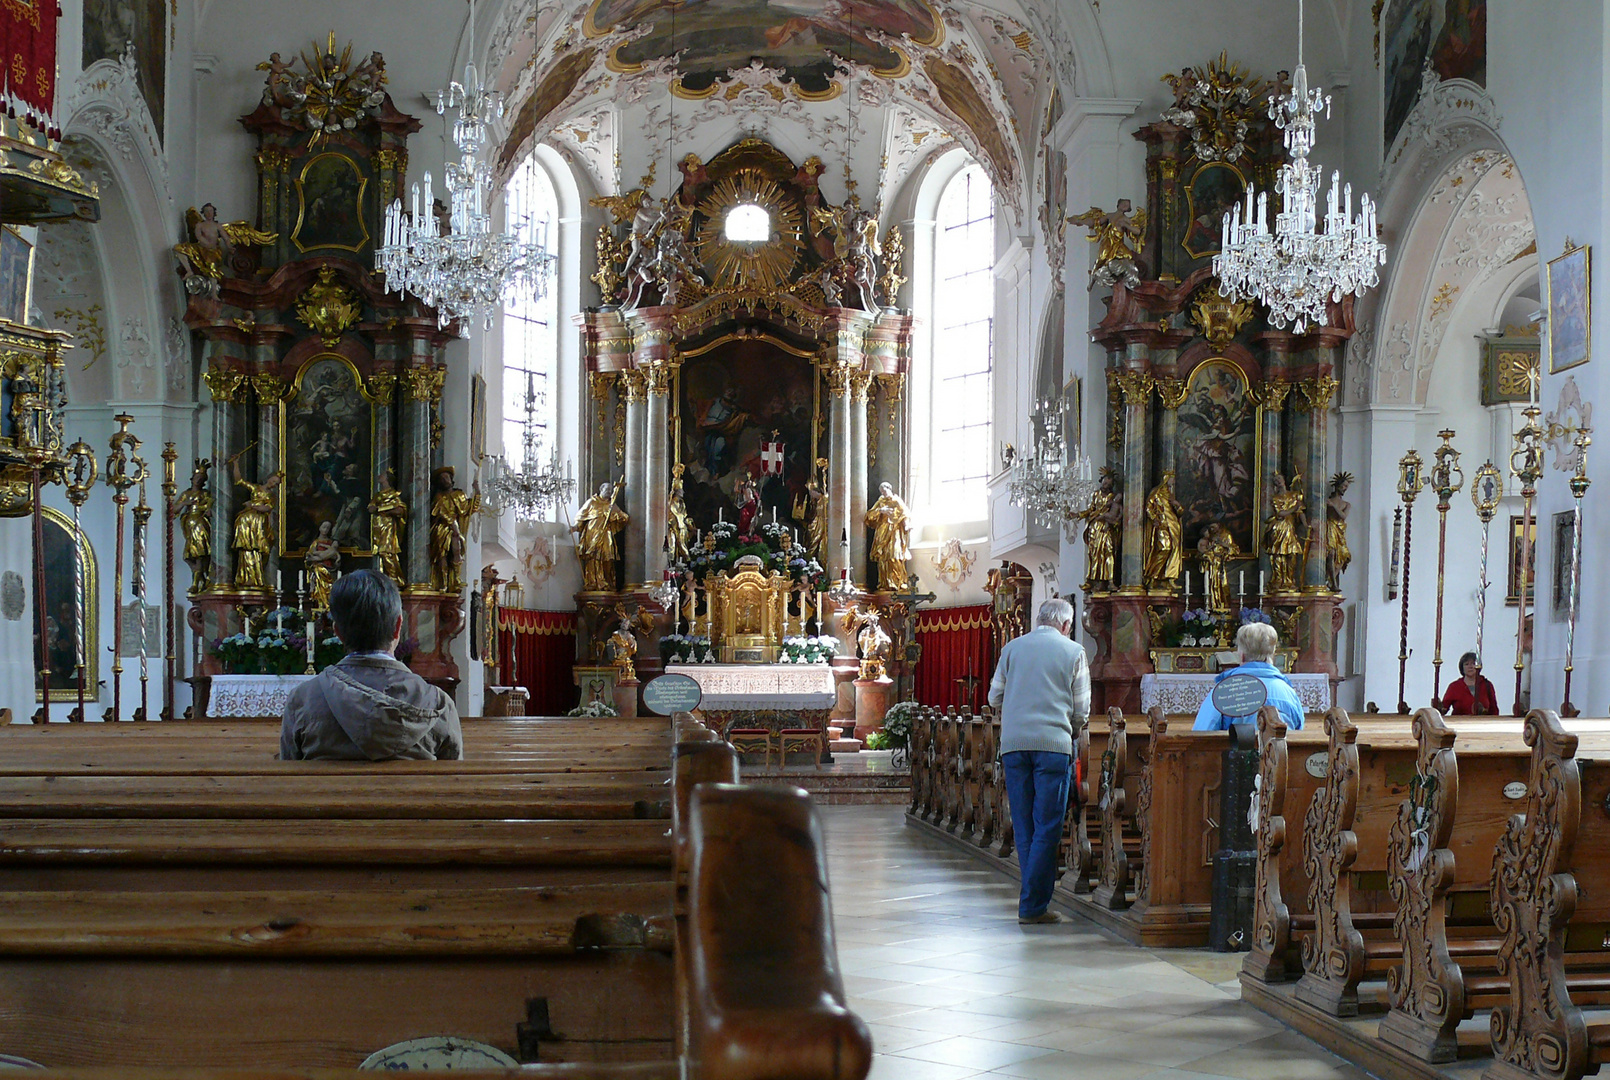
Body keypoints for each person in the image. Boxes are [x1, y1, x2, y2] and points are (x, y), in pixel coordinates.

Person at [280, 570, 463, 762]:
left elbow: (288, 772)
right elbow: (453, 777)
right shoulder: (438, 703)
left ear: (337, 632)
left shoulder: (303, 699)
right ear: (397, 627)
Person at [986, 597, 1091, 925]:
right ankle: (1032, 906)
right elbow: (1082, 709)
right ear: (1065, 625)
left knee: (1025, 824)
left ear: (1039, 620)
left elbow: (993, 697)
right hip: (1053, 746)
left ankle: (1032, 901)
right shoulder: (1074, 652)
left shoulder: (1012, 649)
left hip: (1014, 745)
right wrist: (1068, 732)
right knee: (1047, 826)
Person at [1192, 622, 1306, 731]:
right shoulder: (1289, 692)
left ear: (1241, 656)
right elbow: (1298, 729)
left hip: (1239, 751)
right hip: (1281, 750)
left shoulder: (1224, 690)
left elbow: (1202, 732)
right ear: (1271, 656)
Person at [1440, 651, 1498, 716]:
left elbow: (1494, 710)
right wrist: (1437, 706)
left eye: (1473, 664)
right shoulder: (1454, 686)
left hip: (1482, 724)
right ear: (1462, 668)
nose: (1470, 666)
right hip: (1460, 724)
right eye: (1466, 664)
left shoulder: (1487, 685)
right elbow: (1443, 709)